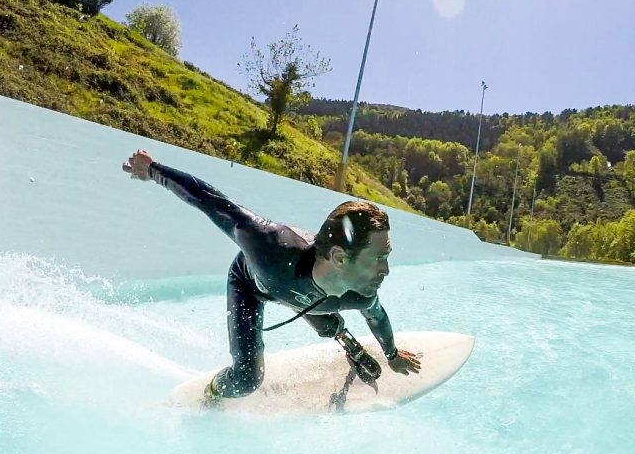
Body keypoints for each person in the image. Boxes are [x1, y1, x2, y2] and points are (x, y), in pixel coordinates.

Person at [122, 149, 421, 403]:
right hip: (253, 284)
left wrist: (392, 354)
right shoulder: (269, 245)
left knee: (326, 316)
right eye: (379, 259)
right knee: (245, 379)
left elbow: (377, 316)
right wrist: (151, 169)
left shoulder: (363, 291)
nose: (386, 270)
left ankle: (343, 337)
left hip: (305, 287)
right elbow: (211, 201)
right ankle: (211, 394)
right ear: (339, 257)